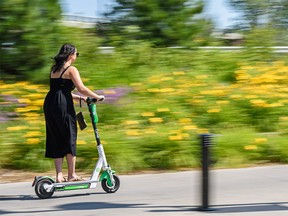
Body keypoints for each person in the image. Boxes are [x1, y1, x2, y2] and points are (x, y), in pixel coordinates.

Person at [43, 44, 104, 182]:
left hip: (50, 104)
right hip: (63, 106)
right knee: (69, 136)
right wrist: (97, 96)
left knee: (55, 136)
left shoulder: (54, 69)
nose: (77, 56)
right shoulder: (71, 69)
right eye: (77, 53)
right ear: (70, 55)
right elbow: (81, 87)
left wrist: (80, 98)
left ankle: (59, 175)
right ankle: (71, 175)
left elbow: (59, 92)